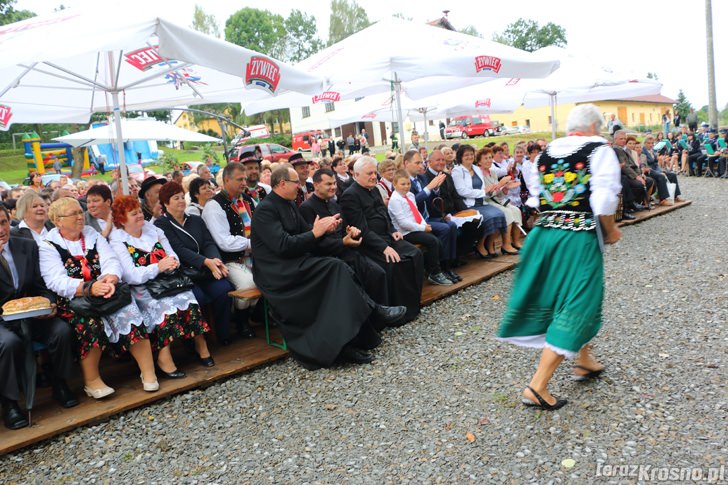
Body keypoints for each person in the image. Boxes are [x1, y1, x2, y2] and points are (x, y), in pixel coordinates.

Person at [497, 104, 622, 411]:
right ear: (594, 127)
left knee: (561, 297)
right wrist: (610, 230)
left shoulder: (548, 151)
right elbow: (604, 199)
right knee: (579, 302)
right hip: (577, 237)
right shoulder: (599, 150)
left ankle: (584, 360)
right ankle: (537, 386)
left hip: (545, 233)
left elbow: (537, 198)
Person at [251, 166, 406, 369]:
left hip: (295, 263)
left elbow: (307, 235)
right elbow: (283, 245)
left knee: (339, 269)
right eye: (296, 182)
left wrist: (328, 231)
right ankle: (368, 315)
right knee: (336, 268)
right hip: (277, 272)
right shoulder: (266, 209)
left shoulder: (288, 205)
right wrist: (316, 232)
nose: (299, 186)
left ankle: (352, 337)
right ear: (282, 183)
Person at [40, 197, 156, 398]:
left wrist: (110, 278)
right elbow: (55, 281)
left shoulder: (92, 234)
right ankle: (92, 381)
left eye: (80, 212)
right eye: (74, 214)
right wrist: (89, 288)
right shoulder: (49, 245)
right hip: (75, 299)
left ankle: (148, 372)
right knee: (89, 323)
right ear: (58, 221)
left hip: (105, 289)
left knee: (128, 310)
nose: (80, 217)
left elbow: (110, 259)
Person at [109, 195, 212, 378]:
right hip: (142, 288)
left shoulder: (154, 230)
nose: (140, 215)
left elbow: (173, 255)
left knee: (188, 298)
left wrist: (172, 263)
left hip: (168, 280)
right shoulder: (118, 240)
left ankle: (200, 343)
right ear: (122, 219)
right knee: (165, 308)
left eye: (140, 211)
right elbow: (130, 275)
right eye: (134, 214)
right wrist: (157, 267)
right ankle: (164, 357)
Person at [0, 205, 77, 430]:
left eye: (3, 222)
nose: (1, 229)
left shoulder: (25, 245)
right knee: (7, 343)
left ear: (10, 221)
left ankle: (59, 382)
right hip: (2, 320)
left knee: (61, 331)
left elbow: (40, 284)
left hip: (30, 312)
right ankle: (10, 403)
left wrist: (49, 302)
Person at [339, 157, 425, 323]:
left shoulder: (375, 189)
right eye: (369, 173)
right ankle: (398, 312)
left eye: (374, 172)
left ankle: (413, 304)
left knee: (415, 254)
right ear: (356, 174)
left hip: (387, 237)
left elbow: (384, 214)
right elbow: (361, 228)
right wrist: (383, 247)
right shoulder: (350, 195)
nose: (373, 176)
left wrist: (393, 231)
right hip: (370, 244)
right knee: (395, 263)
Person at [155, 182, 236, 347]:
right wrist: (206, 261)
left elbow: (208, 242)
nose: (180, 201)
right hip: (183, 274)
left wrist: (215, 260)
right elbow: (179, 249)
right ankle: (195, 343)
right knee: (196, 298)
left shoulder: (195, 220)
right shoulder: (161, 224)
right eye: (175, 198)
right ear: (165, 203)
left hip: (205, 270)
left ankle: (222, 333)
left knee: (224, 289)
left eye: (181, 197)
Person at [300, 169, 389, 306]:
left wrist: (351, 231)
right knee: (355, 278)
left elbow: (345, 228)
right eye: (328, 184)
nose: (333, 187)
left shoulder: (334, 204)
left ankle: (380, 317)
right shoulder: (307, 208)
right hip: (328, 258)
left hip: (347, 252)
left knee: (378, 273)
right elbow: (314, 243)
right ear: (316, 185)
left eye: (334, 183)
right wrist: (342, 241)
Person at [200, 162, 257, 336]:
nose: (244, 183)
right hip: (228, 260)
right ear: (226, 180)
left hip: (254, 255)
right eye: (240, 179)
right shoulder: (214, 206)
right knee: (249, 283)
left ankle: (258, 315)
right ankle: (241, 321)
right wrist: (252, 244)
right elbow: (224, 241)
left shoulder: (247, 200)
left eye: (245, 179)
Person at [402, 149, 460, 282]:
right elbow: (411, 203)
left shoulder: (421, 178)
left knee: (451, 225)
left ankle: (447, 266)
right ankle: (438, 270)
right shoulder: (403, 181)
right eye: (417, 163)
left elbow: (431, 198)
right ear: (406, 163)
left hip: (427, 217)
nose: (421, 166)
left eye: (421, 162)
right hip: (415, 222)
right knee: (445, 229)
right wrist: (429, 188)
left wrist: (435, 188)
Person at [387, 169, 452, 286]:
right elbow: (403, 223)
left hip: (415, 228)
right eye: (402, 184)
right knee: (432, 241)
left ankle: (437, 269)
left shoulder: (410, 195)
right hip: (405, 233)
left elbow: (416, 213)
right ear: (394, 184)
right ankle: (435, 273)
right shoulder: (395, 200)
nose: (406, 187)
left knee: (437, 241)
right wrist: (422, 228)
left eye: (408, 184)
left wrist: (423, 225)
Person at [422, 148, 484, 265]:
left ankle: (458, 254)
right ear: (429, 162)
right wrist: (444, 215)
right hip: (438, 215)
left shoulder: (446, 176)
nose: (441, 162)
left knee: (477, 224)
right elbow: (430, 202)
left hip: (454, 212)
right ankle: (449, 261)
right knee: (454, 229)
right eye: (437, 160)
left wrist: (466, 211)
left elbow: (455, 196)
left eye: (442, 160)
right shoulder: (425, 178)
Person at [451, 145, 508, 258]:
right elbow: (462, 191)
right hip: (469, 204)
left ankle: (489, 244)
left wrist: (490, 190)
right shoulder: (457, 171)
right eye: (466, 155)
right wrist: (483, 192)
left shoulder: (476, 169)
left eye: (471, 154)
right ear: (460, 157)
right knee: (489, 217)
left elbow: (483, 187)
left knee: (500, 214)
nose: (469, 157)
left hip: (482, 202)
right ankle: (480, 245)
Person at [475, 147, 524, 253]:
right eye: (485, 158)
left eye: (490, 158)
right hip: (487, 201)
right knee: (507, 212)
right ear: (479, 161)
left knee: (516, 210)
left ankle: (515, 241)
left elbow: (498, 191)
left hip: (497, 199)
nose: (488, 160)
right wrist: (500, 184)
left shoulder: (493, 172)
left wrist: (505, 187)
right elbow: (487, 195)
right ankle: (505, 244)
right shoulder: (479, 174)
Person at [640, 135, 683, 204]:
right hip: (650, 171)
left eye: (652, 143)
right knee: (661, 177)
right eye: (648, 143)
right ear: (644, 143)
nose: (651, 145)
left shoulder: (652, 151)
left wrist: (661, 170)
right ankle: (663, 199)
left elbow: (656, 164)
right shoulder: (643, 152)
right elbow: (645, 165)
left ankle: (675, 196)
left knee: (672, 175)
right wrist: (658, 172)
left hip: (656, 170)